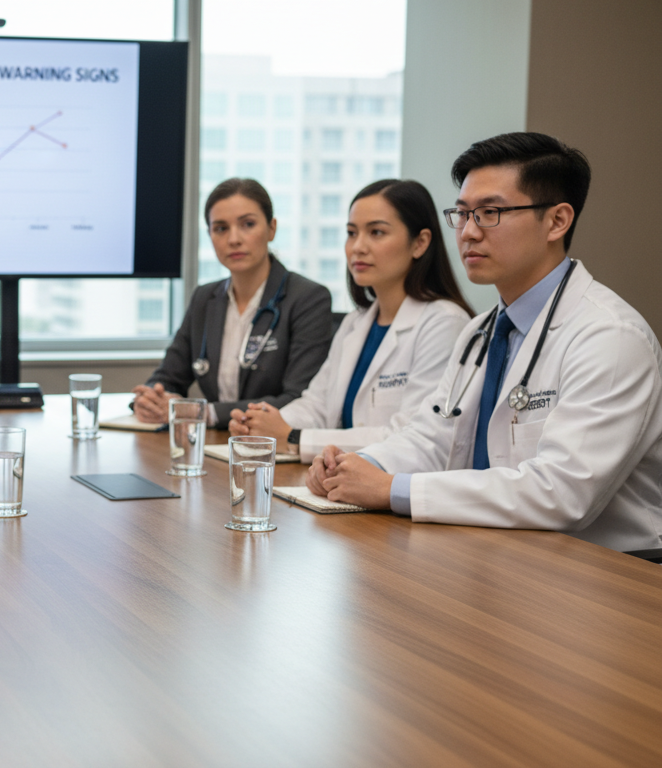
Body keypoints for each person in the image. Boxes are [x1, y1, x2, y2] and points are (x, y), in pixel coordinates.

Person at [308, 132, 662, 554]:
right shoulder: (480, 331)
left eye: (490, 212)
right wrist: (359, 466)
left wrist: (391, 489)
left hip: (601, 576)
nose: (468, 233)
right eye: (462, 214)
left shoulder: (610, 337)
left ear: (557, 221)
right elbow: (432, 438)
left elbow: (562, 493)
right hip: (496, 555)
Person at [228, 179, 473, 462]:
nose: (358, 247)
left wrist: (293, 437)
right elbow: (317, 404)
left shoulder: (444, 323)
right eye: (351, 233)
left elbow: (410, 435)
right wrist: (263, 424)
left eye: (376, 232)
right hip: (337, 478)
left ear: (420, 243)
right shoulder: (356, 322)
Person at [133, 178, 333, 428]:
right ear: (210, 235)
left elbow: (298, 399)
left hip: (270, 450)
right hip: (213, 447)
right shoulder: (204, 298)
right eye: (221, 228)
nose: (234, 239)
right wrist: (150, 398)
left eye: (248, 224)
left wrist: (205, 413)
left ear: (271, 229)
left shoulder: (307, 298)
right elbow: (167, 378)